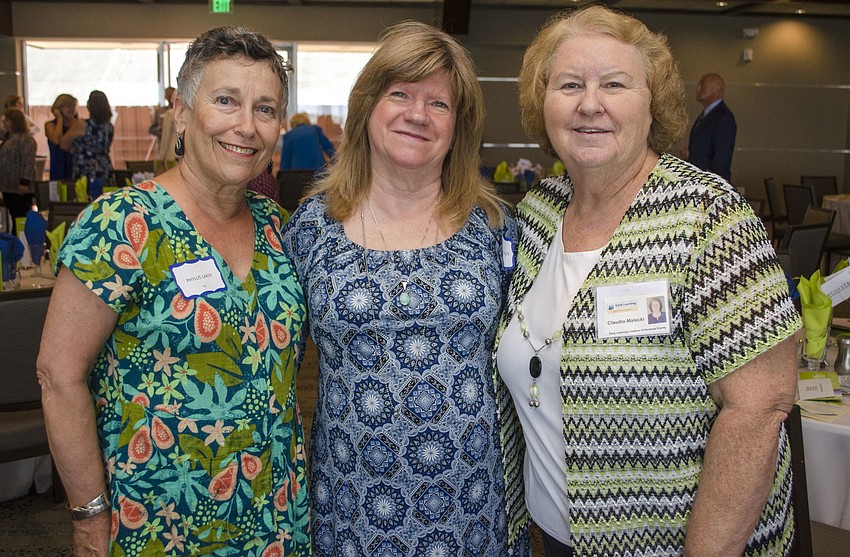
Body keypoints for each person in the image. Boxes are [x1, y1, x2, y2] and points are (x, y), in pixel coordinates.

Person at [495, 5, 800, 556]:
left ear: (652, 102)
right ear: (542, 104)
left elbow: (758, 410)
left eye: (614, 84)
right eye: (569, 85)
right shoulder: (539, 214)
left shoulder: (708, 218)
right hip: (553, 537)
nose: (590, 104)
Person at [37, 26, 310, 556]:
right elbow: (58, 376)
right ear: (182, 114)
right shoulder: (122, 225)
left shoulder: (280, 229)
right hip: (158, 524)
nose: (246, 126)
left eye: (265, 109)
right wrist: (89, 518)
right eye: (225, 101)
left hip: (275, 521)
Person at [283, 21, 528, 557]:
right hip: (352, 506)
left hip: (471, 506)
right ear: (367, 106)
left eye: (439, 104)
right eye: (400, 94)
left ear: (458, 125)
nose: (418, 114)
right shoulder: (311, 228)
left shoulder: (495, 227)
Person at [687, 73, 737, 181]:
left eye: (703, 84)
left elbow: (722, 160)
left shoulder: (723, 118)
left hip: (710, 186)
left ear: (717, 88)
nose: (698, 88)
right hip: (699, 182)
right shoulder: (707, 114)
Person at [64, 90, 115, 189]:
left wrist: (76, 149)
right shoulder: (110, 127)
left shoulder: (82, 125)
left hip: (86, 169)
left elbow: (64, 143)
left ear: (89, 106)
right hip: (105, 168)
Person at [0, 109, 37, 234]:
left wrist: (24, 182)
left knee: (20, 216)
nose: (4, 122)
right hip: (8, 185)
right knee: (13, 214)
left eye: (7, 120)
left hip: (20, 187)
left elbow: (28, 162)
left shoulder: (26, 140)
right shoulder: (8, 138)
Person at [44, 93, 78, 181]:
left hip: (75, 169)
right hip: (57, 169)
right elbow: (56, 140)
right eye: (68, 106)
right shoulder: (50, 125)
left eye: (73, 106)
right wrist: (60, 119)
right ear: (59, 108)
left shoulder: (79, 125)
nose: (71, 109)